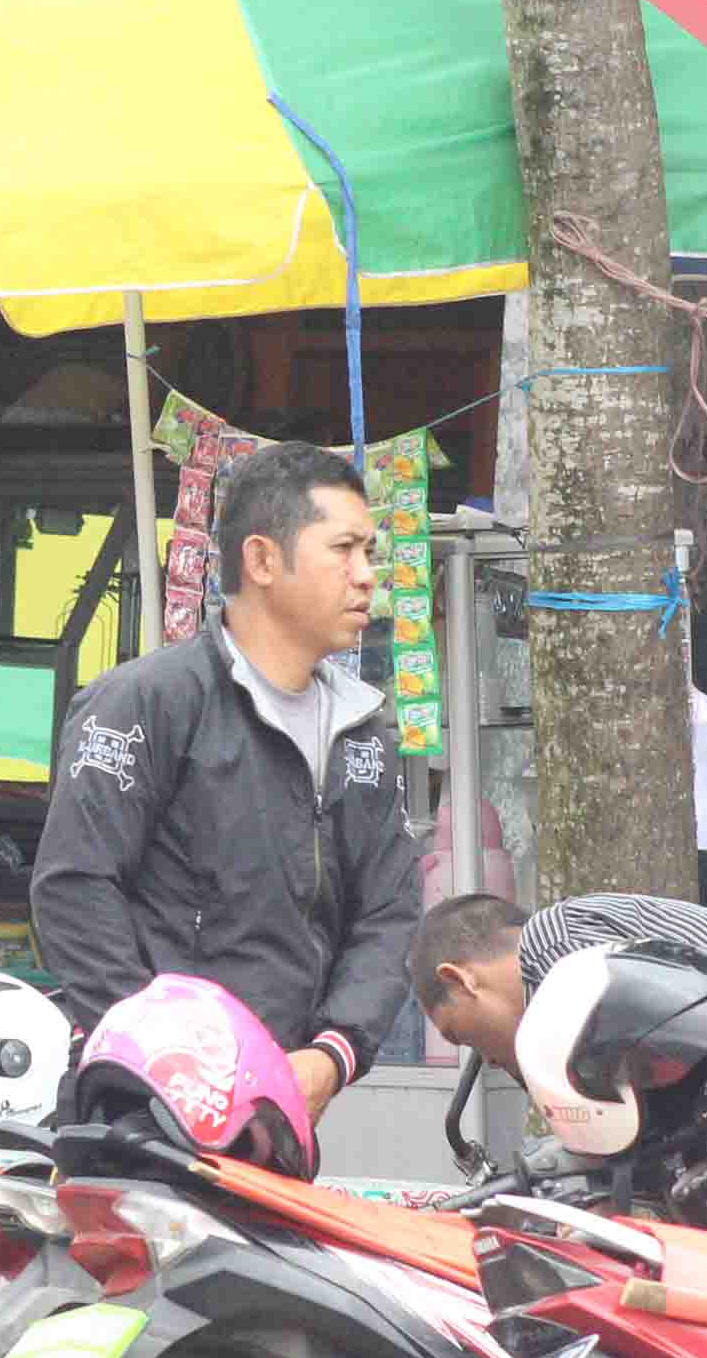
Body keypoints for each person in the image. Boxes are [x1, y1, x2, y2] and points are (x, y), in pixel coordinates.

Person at [32, 441, 424, 1120]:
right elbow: (73, 888)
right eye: (344, 549)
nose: (366, 575)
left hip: (277, 1111)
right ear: (263, 559)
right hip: (137, 1110)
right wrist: (161, 1055)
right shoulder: (148, 701)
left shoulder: (365, 729)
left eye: (371, 553)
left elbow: (390, 914)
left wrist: (330, 1055)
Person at [411, 889, 707, 1071]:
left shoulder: (557, 952)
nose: (486, 1061)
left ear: (459, 980)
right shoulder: (560, 948)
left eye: (459, 1036)